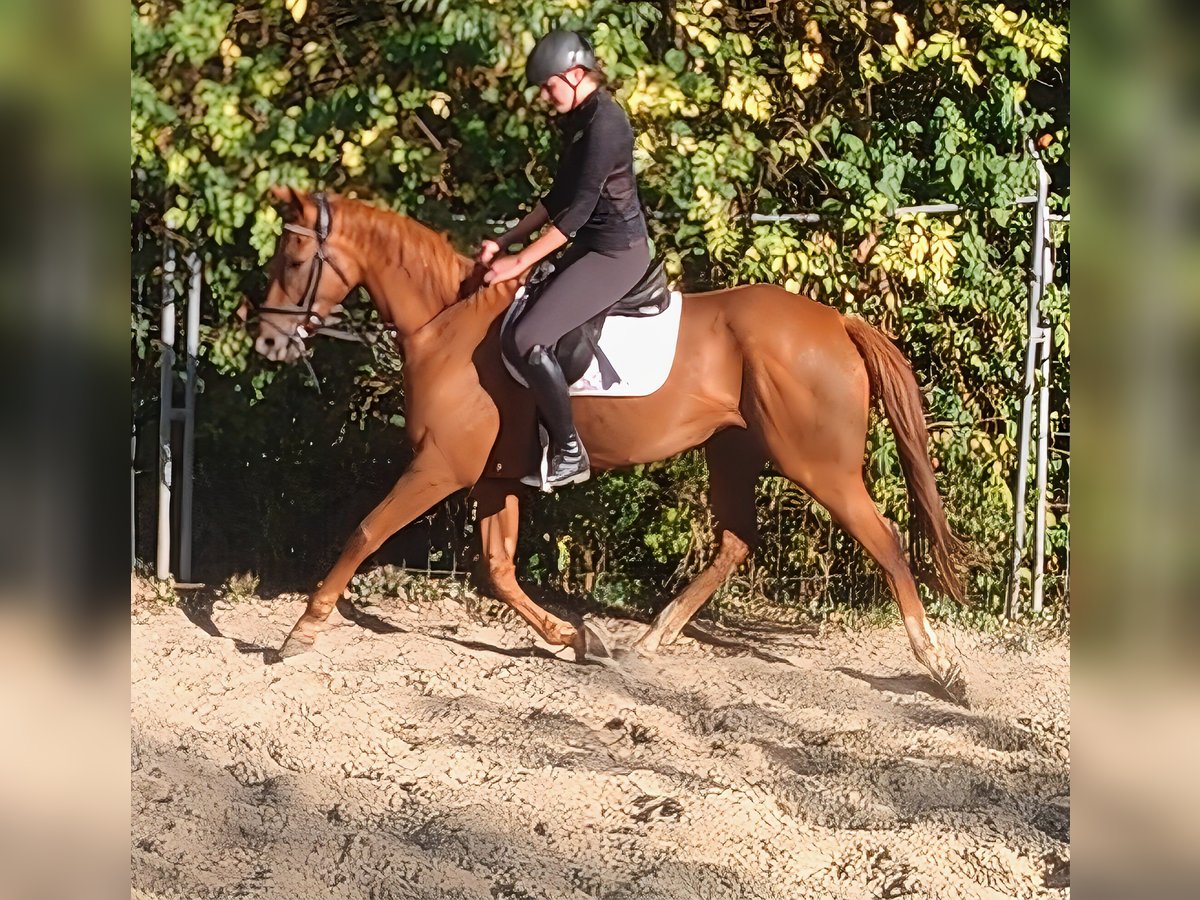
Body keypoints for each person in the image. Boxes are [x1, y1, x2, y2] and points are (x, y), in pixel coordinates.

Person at [477, 30, 651, 489]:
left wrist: (519, 262)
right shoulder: (578, 117)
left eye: (548, 85)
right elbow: (558, 197)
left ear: (575, 75)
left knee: (529, 337)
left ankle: (570, 451)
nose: (543, 96)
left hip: (616, 253)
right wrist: (505, 240)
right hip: (588, 245)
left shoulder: (606, 123)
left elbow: (577, 213)